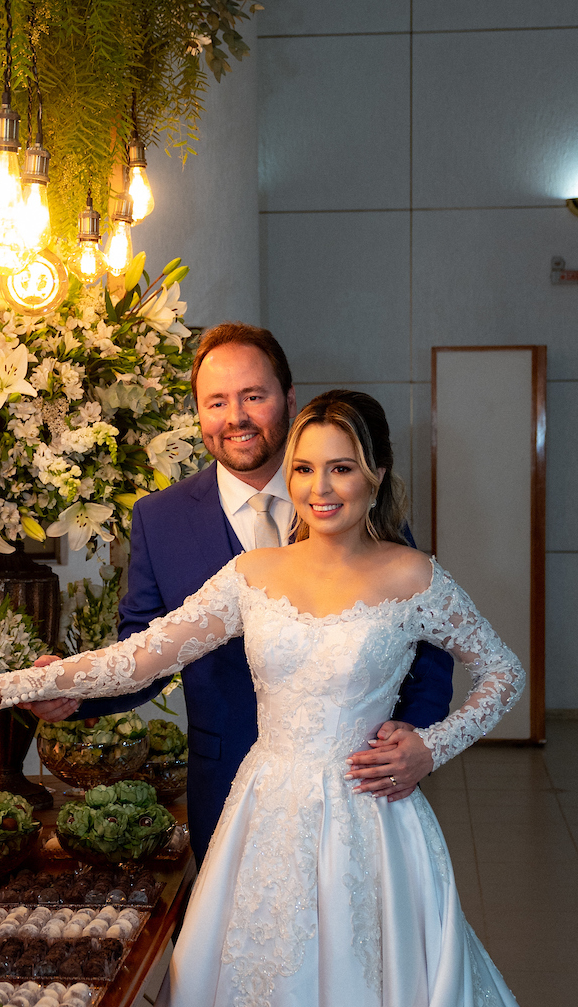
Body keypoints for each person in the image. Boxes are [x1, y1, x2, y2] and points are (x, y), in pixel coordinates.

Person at [0, 392, 578, 1007]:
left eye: (342, 467)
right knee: (252, 1003)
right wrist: (3, 685)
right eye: (306, 467)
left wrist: (428, 744)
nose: (321, 488)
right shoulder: (252, 575)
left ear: (376, 476)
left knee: (368, 1006)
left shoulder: (413, 575)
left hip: (370, 825)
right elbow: (139, 658)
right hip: (264, 816)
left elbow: (504, 671)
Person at [29, 324, 455, 863]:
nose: (237, 418)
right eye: (217, 402)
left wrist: (418, 740)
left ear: (290, 399)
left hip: (358, 782)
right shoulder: (159, 519)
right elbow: (144, 651)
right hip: (226, 779)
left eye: (254, 396)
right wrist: (75, 691)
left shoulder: (348, 498)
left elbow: (426, 637)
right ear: (199, 413)